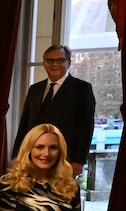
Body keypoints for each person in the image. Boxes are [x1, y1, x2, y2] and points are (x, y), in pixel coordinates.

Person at [12, 44, 96, 174]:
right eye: (49, 60)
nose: (54, 64)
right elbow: (24, 124)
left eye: (60, 60)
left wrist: (79, 161)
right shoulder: (35, 89)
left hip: (65, 158)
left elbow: (86, 128)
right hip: (31, 156)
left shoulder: (82, 89)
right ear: (44, 63)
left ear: (69, 63)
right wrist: (16, 155)